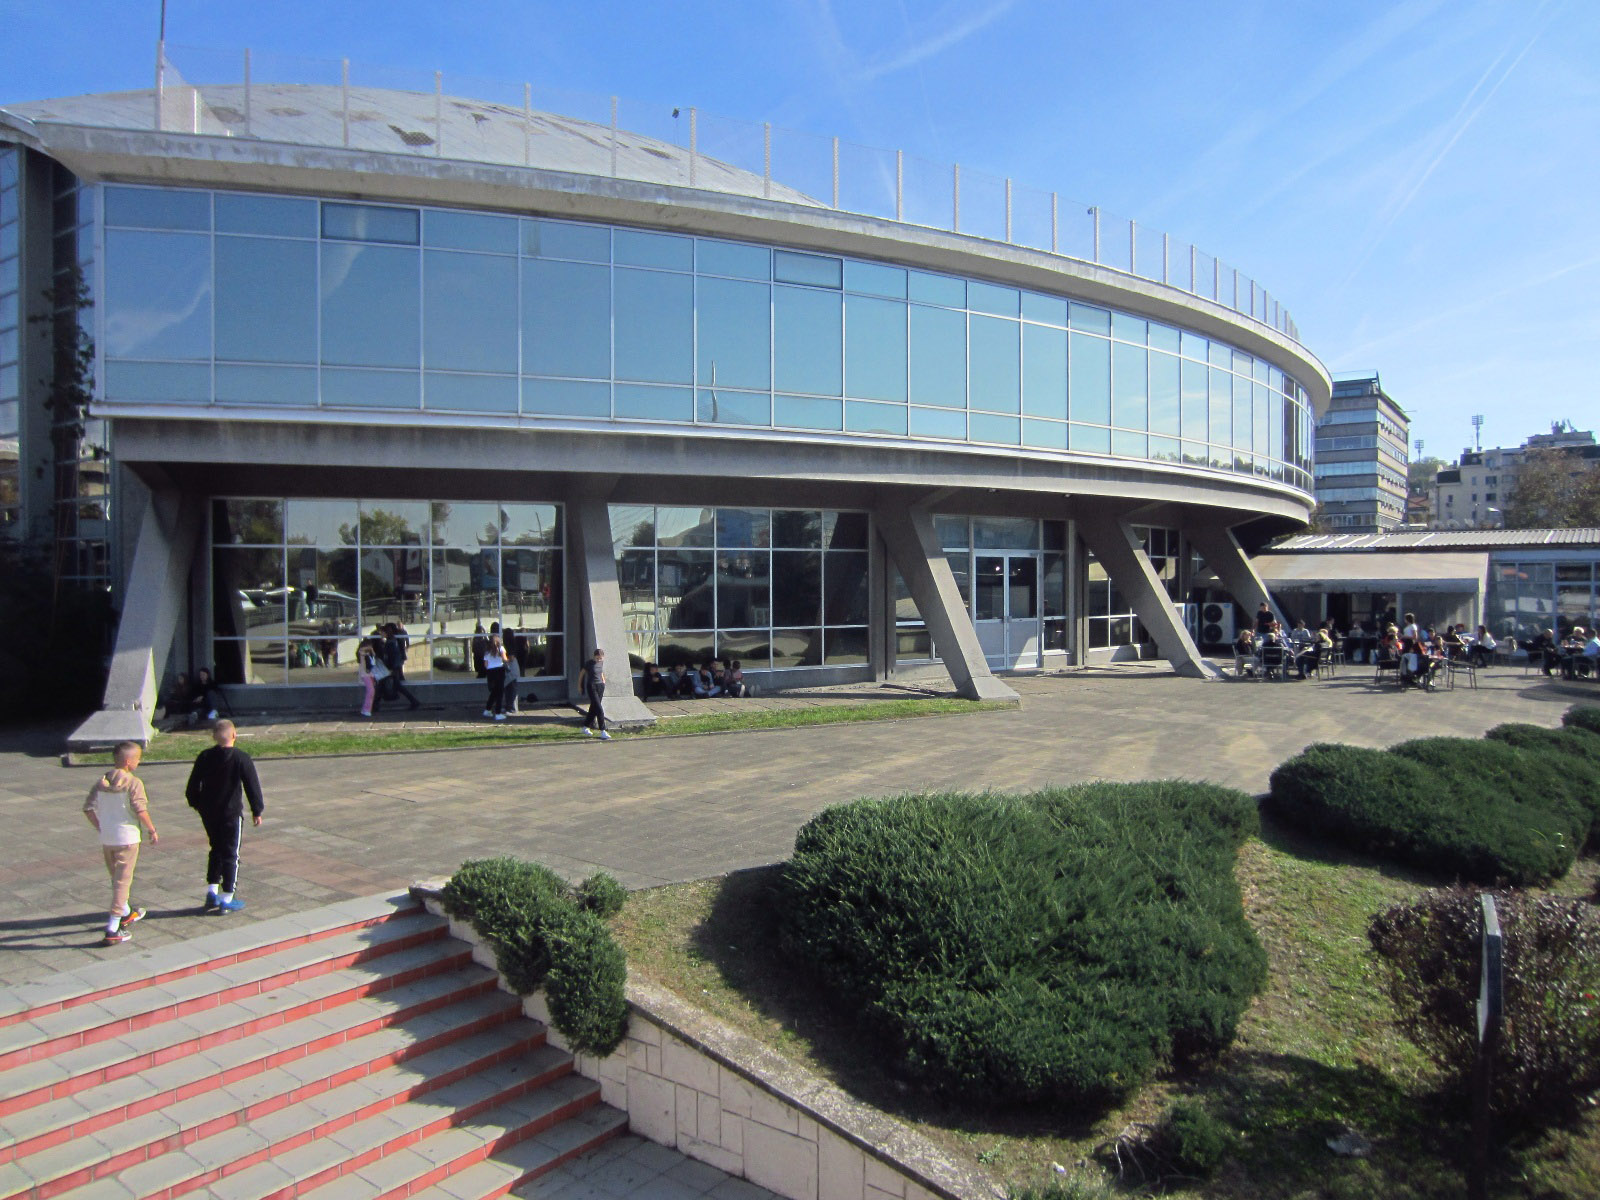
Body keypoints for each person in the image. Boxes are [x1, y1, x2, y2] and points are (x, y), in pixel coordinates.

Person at [185, 719, 265, 913]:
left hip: (209, 812)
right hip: (230, 813)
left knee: (216, 848)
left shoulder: (204, 756)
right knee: (231, 853)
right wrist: (257, 810)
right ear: (234, 735)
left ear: (213, 736)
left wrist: (198, 804)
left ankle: (212, 891)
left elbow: (192, 786)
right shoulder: (241, 758)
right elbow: (252, 785)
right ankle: (227, 896)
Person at [83, 741, 158, 945]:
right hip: (127, 838)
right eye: (138, 759)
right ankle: (113, 927)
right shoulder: (134, 783)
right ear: (128, 762)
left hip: (108, 839)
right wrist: (152, 829)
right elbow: (140, 810)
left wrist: (100, 826)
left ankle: (126, 911)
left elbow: (88, 808)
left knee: (116, 878)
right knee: (122, 882)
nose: (139, 762)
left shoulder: (101, 782)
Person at [375, 622, 420, 711]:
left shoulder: (390, 643)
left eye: (383, 632)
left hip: (391, 668)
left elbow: (393, 656)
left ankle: (375, 705)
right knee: (391, 685)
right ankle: (414, 701)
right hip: (392, 668)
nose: (381, 633)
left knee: (385, 685)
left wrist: (391, 668)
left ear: (387, 632)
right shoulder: (392, 641)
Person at [578, 648, 612, 739]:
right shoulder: (589, 663)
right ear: (594, 657)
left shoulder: (601, 663)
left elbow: (601, 672)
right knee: (599, 709)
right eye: (597, 658)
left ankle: (585, 727)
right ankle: (603, 731)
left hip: (600, 686)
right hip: (591, 686)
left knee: (593, 708)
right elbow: (581, 674)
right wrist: (579, 686)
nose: (599, 660)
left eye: (600, 658)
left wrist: (603, 681)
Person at [483, 632, 507, 720]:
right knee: (500, 692)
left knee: (494, 692)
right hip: (499, 670)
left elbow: (486, 665)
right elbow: (504, 659)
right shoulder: (501, 648)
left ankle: (488, 709)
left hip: (490, 672)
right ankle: (498, 713)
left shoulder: (487, 651)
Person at [356, 638, 380, 717]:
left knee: (371, 692)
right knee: (371, 691)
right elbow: (360, 650)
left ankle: (366, 709)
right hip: (365, 674)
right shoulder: (362, 653)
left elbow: (375, 657)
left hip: (371, 674)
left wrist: (371, 650)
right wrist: (369, 648)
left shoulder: (370, 654)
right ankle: (366, 709)